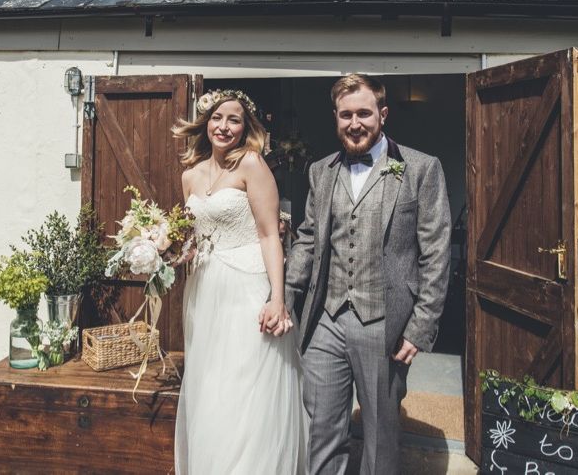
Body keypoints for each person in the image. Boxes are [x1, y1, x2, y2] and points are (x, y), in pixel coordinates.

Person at [282, 74, 451, 475]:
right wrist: (286, 297)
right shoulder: (320, 170)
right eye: (345, 115)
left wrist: (420, 327)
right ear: (336, 118)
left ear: (383, 114)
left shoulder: (420, 168)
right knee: (321, 429)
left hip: (385, 323)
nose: (354, 122)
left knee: (380, 436)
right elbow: (308, 238)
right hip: (325, 321)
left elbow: (437, 252)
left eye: (363, 113)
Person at [172, 88, 307, 475]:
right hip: (205, 290)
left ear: (245, 126)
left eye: (234, 119)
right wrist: (170, 251)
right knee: (211, 385)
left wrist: (277, 299)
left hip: (247, 288)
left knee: (246, 387)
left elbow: (270, 235)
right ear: (205, 122)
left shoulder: (251, 165)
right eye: (217, 118)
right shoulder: (190, 176)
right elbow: (195, 237)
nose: (224, 126)